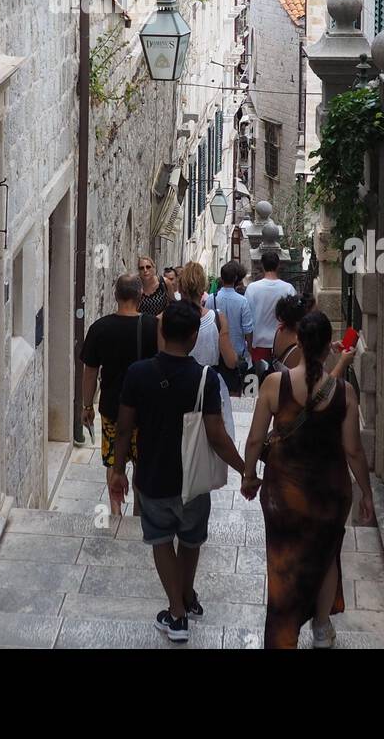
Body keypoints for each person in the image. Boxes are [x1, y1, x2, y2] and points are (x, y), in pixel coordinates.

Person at [109, 300, 246, 644]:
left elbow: (124, 428)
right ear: (192, 337)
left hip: (153, 477)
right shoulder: (205, 378)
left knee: (160, 541)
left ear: (162, 331)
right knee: (190, 540)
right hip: (193, 481)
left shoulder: (138, 373)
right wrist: (246, 470)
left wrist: (117, 470)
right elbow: (217, 436)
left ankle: (177, 613)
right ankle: (185, 599)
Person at [241, 310, 372, 650]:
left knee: (284, 555)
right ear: (329, 347)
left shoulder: (274, 383)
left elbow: (255, 439)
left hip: (283, 492)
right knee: (326, 555)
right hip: (329, 492)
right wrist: (367, 494)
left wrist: (248, 475)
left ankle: (285, 628)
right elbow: (354, 451)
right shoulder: (344, 393)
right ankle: (322, 627)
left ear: (298, 342)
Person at [80, 273, 159, 514]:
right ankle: (137, 511)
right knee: (141, 461)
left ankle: (115, 512)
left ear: (115, 295)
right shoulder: (153, 327)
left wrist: (86, 406)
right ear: (140, 295)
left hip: (113, 407)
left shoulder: (99, 329)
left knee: (114, 459)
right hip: (145, 409)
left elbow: (90, 372)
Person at [176, 261, 238, 439]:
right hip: (210, 384)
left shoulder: (167, 318)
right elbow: (230, 361)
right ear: (203, 286)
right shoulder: (218, 319)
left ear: (181, 287)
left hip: (179, 385)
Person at [208, 260, 261, 395]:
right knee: (236, 392)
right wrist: (250, 348)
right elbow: (248, 329)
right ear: (236, 278)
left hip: (216, 354)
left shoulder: (210, 299)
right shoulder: (242, 301)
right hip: (237, 354)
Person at [245, 251, 297, 362]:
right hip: (283, 344)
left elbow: (247, 318)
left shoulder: (252, 288)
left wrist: (249, 343)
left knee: (261, 378)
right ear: (278, 265)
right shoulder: (288, 289)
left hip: (259, 343)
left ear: (262, 266)